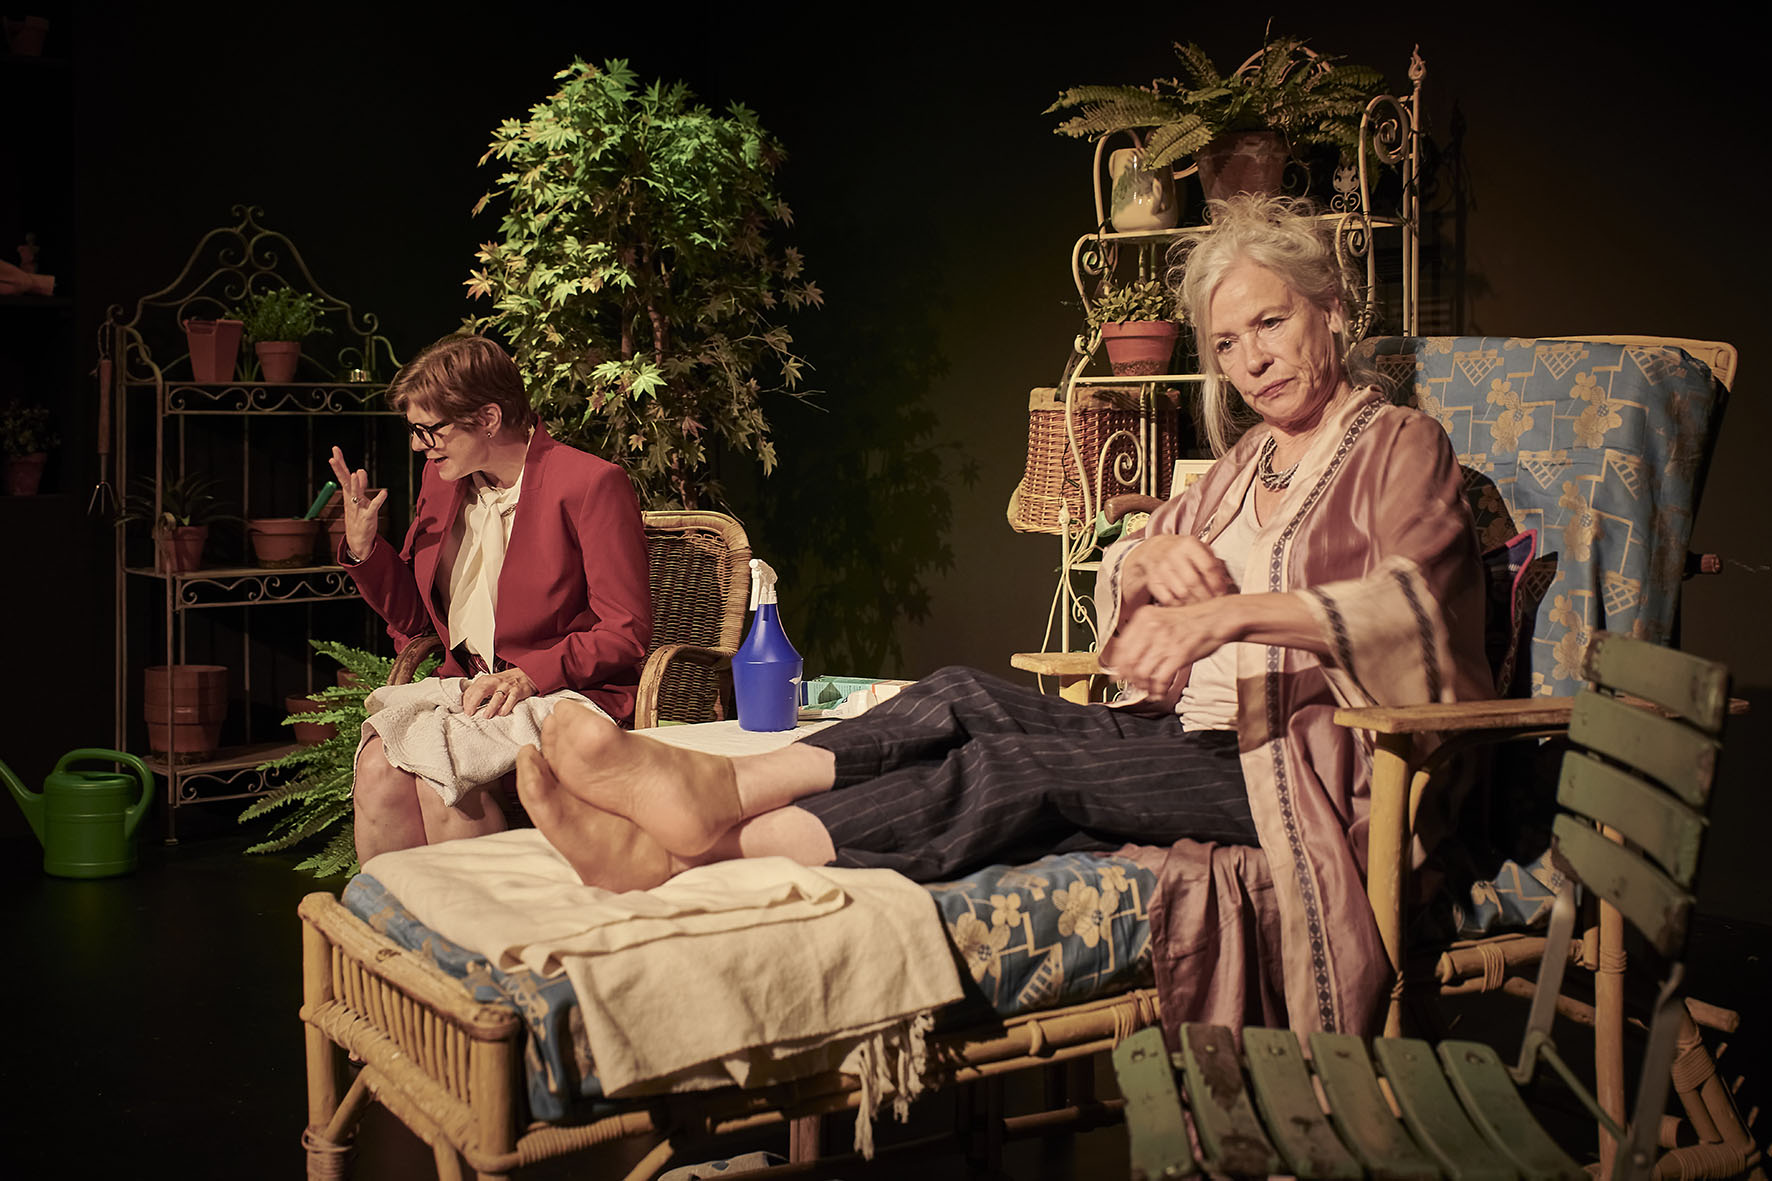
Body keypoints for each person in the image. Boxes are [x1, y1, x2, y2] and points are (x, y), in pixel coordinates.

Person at [515, 195, 1491, 1031]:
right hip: (1188, 739)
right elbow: (1124, 589)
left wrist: (1229, 619)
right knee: (957, 692)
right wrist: (1145, 558)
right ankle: (716, 796)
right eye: (1226, 343)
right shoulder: (1242, 466)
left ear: (1330, 310)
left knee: (1009, 765)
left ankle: (682, 847)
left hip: (1309, 767)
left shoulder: (1400, 446)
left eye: (1270, 324)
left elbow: (1411, 603)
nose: (1251, 361)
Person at [330, 333, 651, 862]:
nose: (418, 446)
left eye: (430, 430)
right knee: (377, 767)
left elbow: (625, 631)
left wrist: (529, 675)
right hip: (471, 691)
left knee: (441, 773)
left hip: (566, 691)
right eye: (414, 431)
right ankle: (390, 914)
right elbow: (418, 620)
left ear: (488, 419)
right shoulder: (442, 483)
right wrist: (366, 551)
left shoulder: (590, 484)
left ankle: (480, 915)